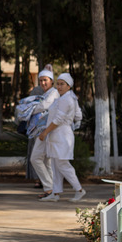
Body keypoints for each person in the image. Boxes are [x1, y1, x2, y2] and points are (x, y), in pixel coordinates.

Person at [38, 73, 86, 202]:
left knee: (63, 164)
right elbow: (78, 115)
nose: (59, 86)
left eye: (62, 84)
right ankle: (56, 193)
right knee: (55, 164)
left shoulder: (66, 99)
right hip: (58, 135)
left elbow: (58, 119)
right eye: (58, 84)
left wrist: (45, 132)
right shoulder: (67, 97)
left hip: (61, 136)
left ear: (68, 86)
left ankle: (79, 190)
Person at [29, 64, 59, 198]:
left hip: (47, 132)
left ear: (51, 81)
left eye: (45, 80)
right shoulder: (47, 93)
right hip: (44, 132)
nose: (42, 83)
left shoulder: (53, 93)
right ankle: (52, 191)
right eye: (41, 80)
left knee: (35, 158)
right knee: (46, 161)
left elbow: (44, 106)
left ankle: (49, 189)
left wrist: (28, 110)